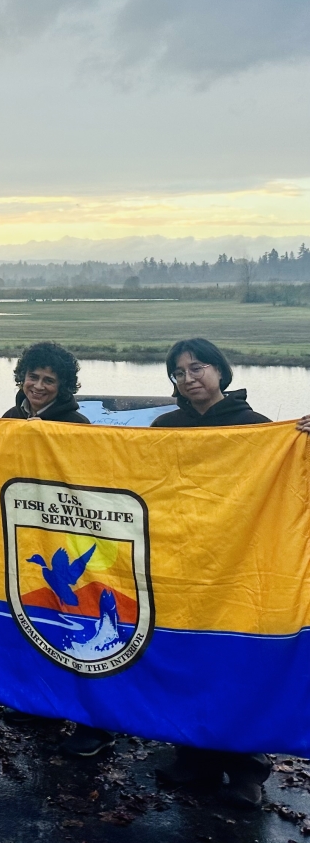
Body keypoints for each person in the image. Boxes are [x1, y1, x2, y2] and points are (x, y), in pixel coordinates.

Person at [151, 338, 272, 809]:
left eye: (196, 367)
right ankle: (193, 758)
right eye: (178, 372)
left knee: (236, 665)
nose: (188, 377)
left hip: (238, 563)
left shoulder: (256, 428)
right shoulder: (166, 427)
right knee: (187, 659)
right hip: (180, 562)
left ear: (219, 370)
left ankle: (246, 771)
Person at [0, 342, 115, 758]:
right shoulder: (10, 419)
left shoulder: (77, 424)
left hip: (70, 536)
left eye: (50, 380)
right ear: (22, 377)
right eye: (33, 377)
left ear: (63, 385)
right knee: (42, 622)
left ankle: (97, 725)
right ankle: (44, 706)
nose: (39, 385)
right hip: (27, 534)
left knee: (83, 631)